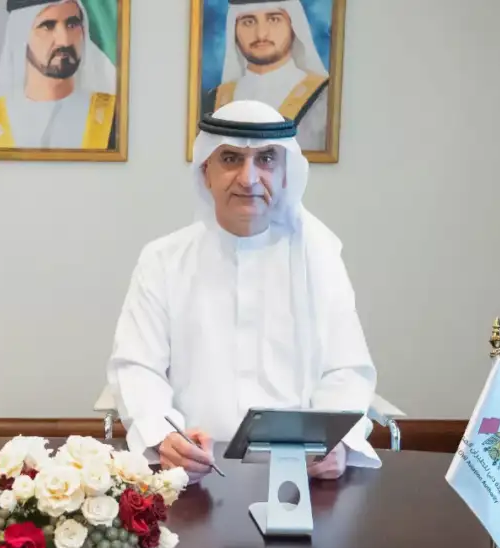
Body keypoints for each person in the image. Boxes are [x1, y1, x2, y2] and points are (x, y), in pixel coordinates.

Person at [106, 99, 379, 483]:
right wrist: (164, 434)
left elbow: (346, 369)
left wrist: (337, 443)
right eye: (231, 159)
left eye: (266, 159)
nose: (249, 178)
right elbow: (138, 366)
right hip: (193, 475)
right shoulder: (163, 260)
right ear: (206, 171)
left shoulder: (319, 258)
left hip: (302, 476)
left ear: (285, 174)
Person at [0, 0, 118, 150]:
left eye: (72, 24)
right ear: (20, 36)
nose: (64, 41)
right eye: (48, 26)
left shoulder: (112, 118)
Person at [201, 0, 329, 152]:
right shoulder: (215, 98)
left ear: (293, 26)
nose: (261, 34)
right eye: (248, 22)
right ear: (234, 30)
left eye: (273, 19)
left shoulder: (324, 96)